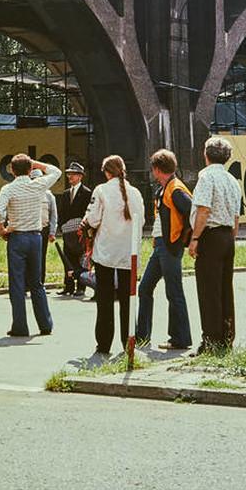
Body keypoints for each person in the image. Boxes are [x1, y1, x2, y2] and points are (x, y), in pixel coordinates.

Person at [0, 155, 60, 337]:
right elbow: (56, 171)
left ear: (12, 171)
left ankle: (20, 326)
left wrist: (2, 230)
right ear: (30, 170)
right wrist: (36, 163)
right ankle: (45, 324)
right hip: (36, 237)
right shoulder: (38, 185)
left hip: (17, 237)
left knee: (17, 284)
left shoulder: (8, 189)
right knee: (37, 282)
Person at [84, 155, 144, 356]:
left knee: (105, 300)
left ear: (106, 172)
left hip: (106, 252)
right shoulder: (136, 193)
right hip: (129, 254)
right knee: (128, 301)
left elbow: (92, 219)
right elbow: (141, 221)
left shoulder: (101, 190)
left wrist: (86, 224)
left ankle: (103, 344)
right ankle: (128, 344)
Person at [189, 136, 243, 353]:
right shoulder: (232, 180)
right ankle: (226, 336)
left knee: (208, 290)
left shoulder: (206, 177)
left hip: (210, 235)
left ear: (206, 155)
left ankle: (210, 340)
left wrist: (194, 238)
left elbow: (203, 209)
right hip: (228, 235)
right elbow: (236, 218)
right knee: (224, 287)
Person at [135, 149, 192, 351]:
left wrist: (185, 238)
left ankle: (181, 338)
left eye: (154, 170)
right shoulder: (167, 188)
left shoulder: (175, 189)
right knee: (144, 288)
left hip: (169, 246)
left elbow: (190, 211)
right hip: (161, 246)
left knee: (173, 291)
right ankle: (142, 335)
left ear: (157, 170)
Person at [55, 162, 91, 296]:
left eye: (73, 174)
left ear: (80, 176)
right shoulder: (65, 194)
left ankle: (81, 287)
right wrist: (62, 226)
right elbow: (62, 213)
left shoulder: (87, 193)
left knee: (81, 259)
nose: (70, 176)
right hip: (67, 232)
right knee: (68, 259)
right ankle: (68, 286)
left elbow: (87, 212)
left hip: (80, 232)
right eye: (69, 174)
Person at [29, 168, 59, 289]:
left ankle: (40, 283)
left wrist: (52, 232)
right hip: (30, 229)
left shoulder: (49, 196)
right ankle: (27, 285)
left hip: (44, 229)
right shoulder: (28, 193)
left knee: (41, 257)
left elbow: (53, 215)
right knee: (29, 258)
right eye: (33, 179)